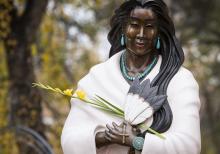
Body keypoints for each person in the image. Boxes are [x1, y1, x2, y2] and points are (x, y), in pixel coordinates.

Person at [61, 0, 201, 153]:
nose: (141, 34)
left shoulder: (180, 81)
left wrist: (136, 142)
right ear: (123, 28)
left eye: (149, 27)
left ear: (159, 32)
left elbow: (189, 146)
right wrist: (106, 136)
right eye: (134, 25)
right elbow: (70, 139)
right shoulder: (96, 78)